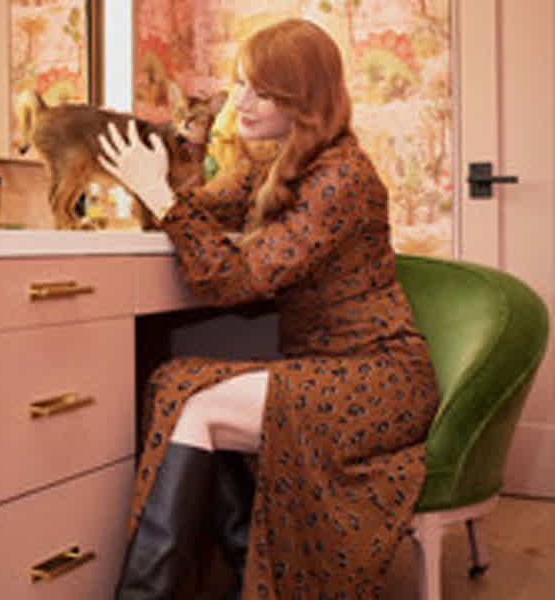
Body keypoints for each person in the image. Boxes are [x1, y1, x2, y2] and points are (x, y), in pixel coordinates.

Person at [98, 18, 440, 600]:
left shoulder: (342, 177)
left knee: (195, 407)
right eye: (240, 84)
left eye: (262, 91)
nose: (241, 102)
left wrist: (157, 195)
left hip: (380, 377)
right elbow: (199, 212)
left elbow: (235, 280)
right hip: (324, 367)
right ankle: (246, 578)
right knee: (172, 382)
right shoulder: (274, 167)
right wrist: (159, 180)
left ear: (303, 99)